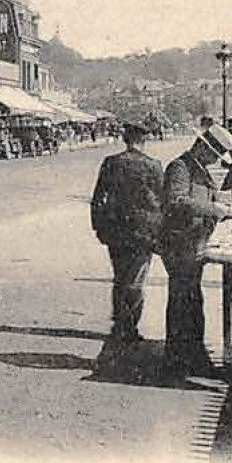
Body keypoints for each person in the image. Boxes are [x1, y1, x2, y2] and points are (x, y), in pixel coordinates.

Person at [160, 124, 232, 377]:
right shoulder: (180, 167)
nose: (216, 161)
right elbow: (176, 201)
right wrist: (212, 209)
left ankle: (192, 354)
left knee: (191, 299)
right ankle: (180, 359)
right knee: (184, 299)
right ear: (203, 147)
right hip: (180, 244)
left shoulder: (199, 168)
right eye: (214, 155)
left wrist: (217, 206)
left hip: (194, 242)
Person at [89, 122, 165, 365]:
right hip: (143, 232)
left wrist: (99, 227)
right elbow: (162, 203)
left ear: (125, 138)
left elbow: (98, 198)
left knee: (120, 276)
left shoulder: (111, 163)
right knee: (136, 280)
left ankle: (121, 324)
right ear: (144, 140)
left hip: (116, 230)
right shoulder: (154, 166)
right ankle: (128, 328)